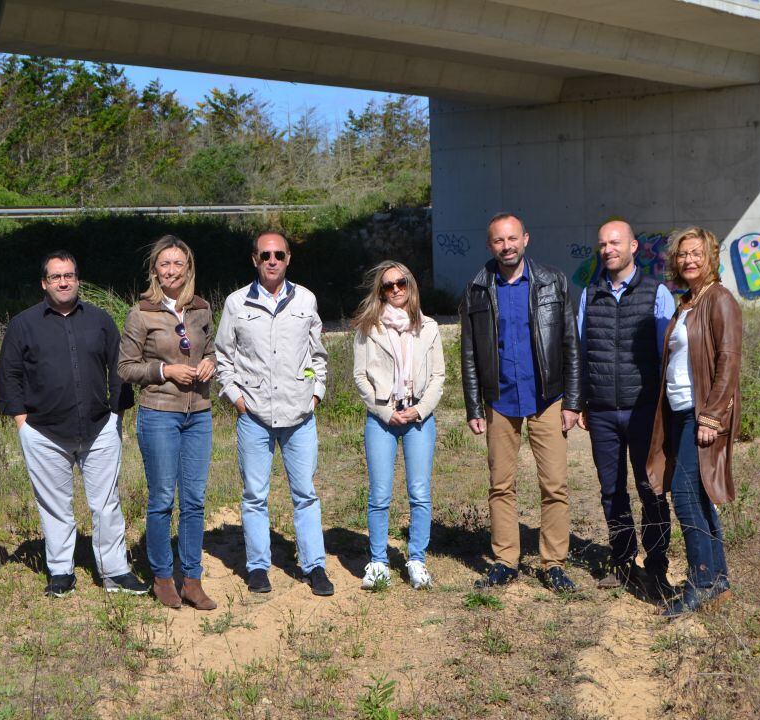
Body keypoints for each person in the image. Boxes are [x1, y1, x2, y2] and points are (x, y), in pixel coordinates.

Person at [0, 250, 147, 598]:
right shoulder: (24, 324)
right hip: (44, 432)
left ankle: (115, 571)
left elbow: (120, 369)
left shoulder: (100, 320)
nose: (63, 282)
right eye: (55, 277)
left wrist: (116, 416)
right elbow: (10, 376)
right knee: (55, 505)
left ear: (78, 279)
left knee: (107, 503)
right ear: (44, 283)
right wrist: (23, 424)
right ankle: (61, 571)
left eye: (69, 275)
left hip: (99, 428)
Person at [460, 213, 583, 592]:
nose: (507, 246)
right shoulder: (477, 288)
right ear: (490, 245)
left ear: (526, 239)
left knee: (555, 485)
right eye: (499, 240)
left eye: (512, 238)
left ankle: (554, 563)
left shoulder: (553, 281)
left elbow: (570, 344)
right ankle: (505, 561)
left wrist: (573, 401)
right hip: (500, 398)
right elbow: (468, 352)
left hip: (548, 396)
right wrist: (474, 406)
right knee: (500, 484)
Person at [214, 231, 334, 596]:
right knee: (254, 496)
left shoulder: (306, 299)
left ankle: (314, 566)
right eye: (265, 255)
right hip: (254, 417)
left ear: (288, 259)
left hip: (299, 417)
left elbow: (317, 356)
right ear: (254, 259)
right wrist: (237, 398)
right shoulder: (236, 304)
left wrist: (314, 393)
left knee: (306, 494)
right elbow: (224, 357)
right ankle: (257, 567)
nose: (272, 260)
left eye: (278, 254)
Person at [576, 220, 675, 597]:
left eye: (615, 242)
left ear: (633, 246)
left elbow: (666, 356)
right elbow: (582, 352)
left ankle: (657, 567)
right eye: (602, 244)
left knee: (651, 489)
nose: (607, 249)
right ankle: (622, 562)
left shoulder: (656, 293)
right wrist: (581, 402)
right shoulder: (590, 294)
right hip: (602, 411)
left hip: (644, 410)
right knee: (611, 490)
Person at [118, 236, 218, 610]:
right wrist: (164, 369)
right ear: (155, 270)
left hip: (199, 415)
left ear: (188, 269)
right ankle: (162, 576)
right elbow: (125, 367)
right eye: (165, 264)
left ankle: (192, 578)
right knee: (162, 499)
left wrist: (211, 364)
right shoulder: (141, 313)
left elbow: (211, 352)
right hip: (159, 413)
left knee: (194, 500)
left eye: (178, 264)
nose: (172, 270)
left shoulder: (202, 310)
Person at [647, 227, 741, 618]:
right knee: (697, 496)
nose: (688, 260)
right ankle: (717, 582)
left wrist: (713, 416)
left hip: (701, 415)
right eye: (683, 254)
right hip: (679, 411)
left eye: (696, 253)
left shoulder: (719, 299)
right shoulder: (686, 302)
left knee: (685, 498)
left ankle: (701, 581)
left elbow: (728, 360)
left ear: (711, 257)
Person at [351, 261, 445, 590]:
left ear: (411, 285)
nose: (395, 290)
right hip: (382, 419)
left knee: (419, 493)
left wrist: (419, 410)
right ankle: (378, 562)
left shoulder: (429, 327)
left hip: (418, 419)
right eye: (388, 286)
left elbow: (438, 378)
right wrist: (383, 410)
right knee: (379, 494)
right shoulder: (368, 327)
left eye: (401, 283)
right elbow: (360, 377)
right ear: (380, 291)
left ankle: (416, 559)